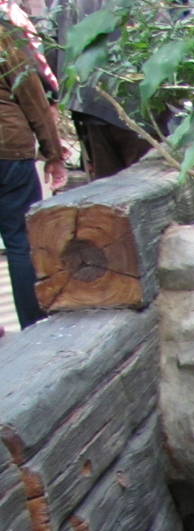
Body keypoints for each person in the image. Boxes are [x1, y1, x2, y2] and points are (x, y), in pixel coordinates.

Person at [1, 17, 65, 329]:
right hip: (8, 150)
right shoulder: (3, 35)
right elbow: (31, 94)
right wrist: (53, 152)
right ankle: (34, 325)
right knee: (21, 241)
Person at [46, 0, 143, 179]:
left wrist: (53, 96)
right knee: (146, 179)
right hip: (138, 103)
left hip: (89, 98)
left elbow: (49, 39)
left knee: (108, 183)